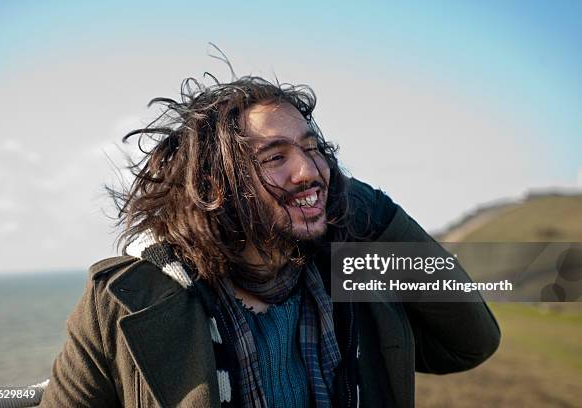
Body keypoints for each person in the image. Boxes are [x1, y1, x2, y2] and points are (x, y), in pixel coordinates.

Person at [40, 75, 500, 408]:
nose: (310, 171)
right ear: (214, 185)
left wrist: (378, 214)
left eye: (313, 149)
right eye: (276, 156)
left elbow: (469, 343)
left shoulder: (351, 271)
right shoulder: (127, 297)